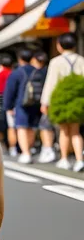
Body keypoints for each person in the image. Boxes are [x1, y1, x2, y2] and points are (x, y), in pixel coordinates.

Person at [41, 33, 84, 172]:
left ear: (59, 45)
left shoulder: (56, 62)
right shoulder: (81, 60)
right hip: (78, 100)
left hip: (61, 100)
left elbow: (51, 83)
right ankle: (79, 160)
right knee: (76, 131)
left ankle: (64, 159)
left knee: (64, 131)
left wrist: (45, 102)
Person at [3, 48, 40, 164]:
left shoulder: (16, 73)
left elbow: (10, 91)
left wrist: (8, 107)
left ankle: (26, 153)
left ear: (20, 59)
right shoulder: (38, 71)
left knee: (22, 128)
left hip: (21, 104)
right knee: (31, 128)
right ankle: (30, 148)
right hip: (35, 103)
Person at [30, 51, 56, 163]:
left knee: (44, 126)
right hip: (53, 101)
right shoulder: (47, 70)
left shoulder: (32, 72)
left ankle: (48, 149)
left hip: (39, 102)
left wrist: (45, 102)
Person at [0, 54, 17, 156]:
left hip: (0, 99)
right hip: (12, 99)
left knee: (0, 124)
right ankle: (13, 147)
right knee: (11, 125)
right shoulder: (13, 74)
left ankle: (1, 144)